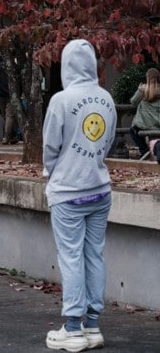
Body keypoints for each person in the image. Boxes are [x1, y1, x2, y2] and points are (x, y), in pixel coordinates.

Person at [42, 39, 116, 352]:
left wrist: (52, 173)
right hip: (99, 188)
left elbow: (50, 148)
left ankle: (72, 328)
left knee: (70, 257)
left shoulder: (60, 100)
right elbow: (107, 140)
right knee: (93, 254)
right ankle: (92, 325)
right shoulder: (107, 98)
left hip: (68, 192)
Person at [129, 68, 160, 157]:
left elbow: (133, 102)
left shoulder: (143, 90)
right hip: (158, 125)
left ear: (147, 78)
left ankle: (144, 151)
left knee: (132, 129)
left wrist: (139, 89)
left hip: (145, 126)